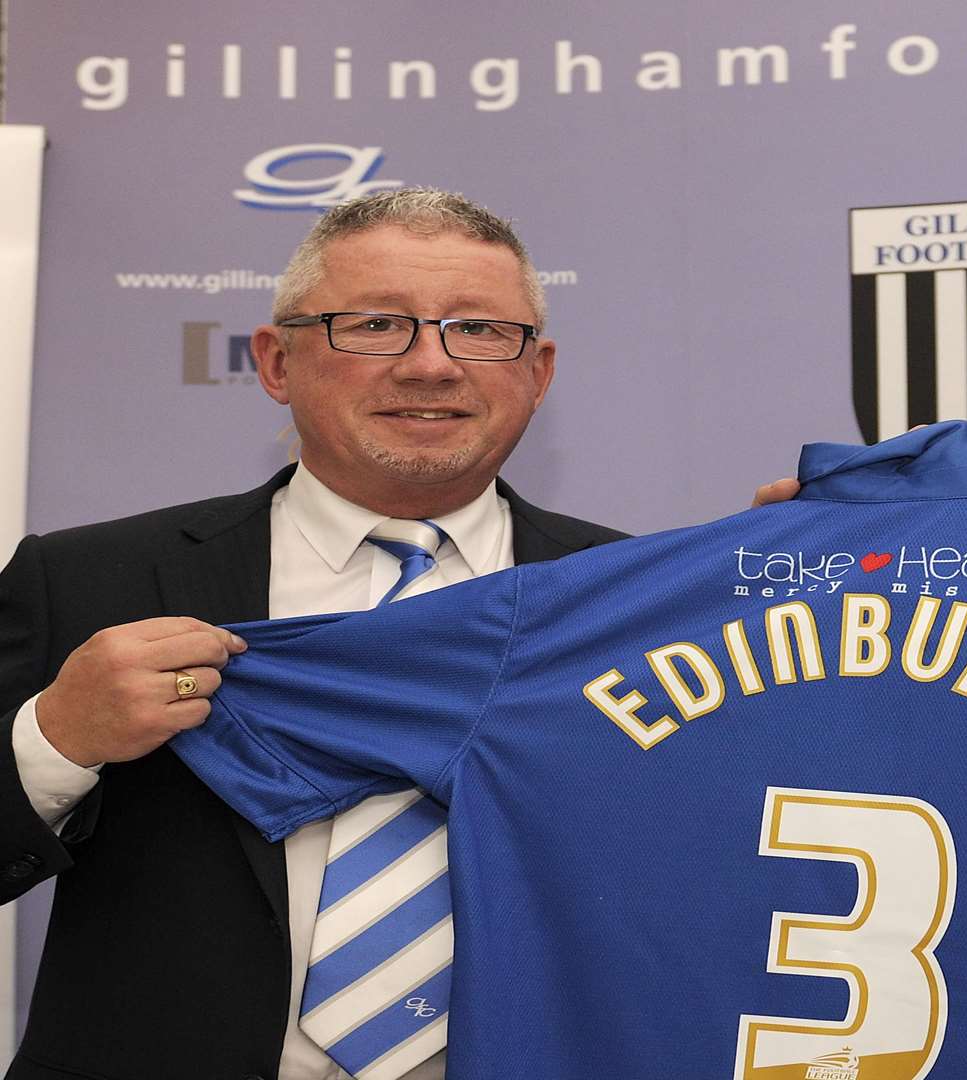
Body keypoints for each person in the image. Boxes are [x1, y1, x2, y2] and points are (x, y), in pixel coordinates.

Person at [0, 189, 626, 1080]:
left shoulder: (630, 598)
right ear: (275, 361)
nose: (431, 366)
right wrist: (55, 741)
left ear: (539, 369)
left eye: (480, 330)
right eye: (375, 324)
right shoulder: (92, 580)